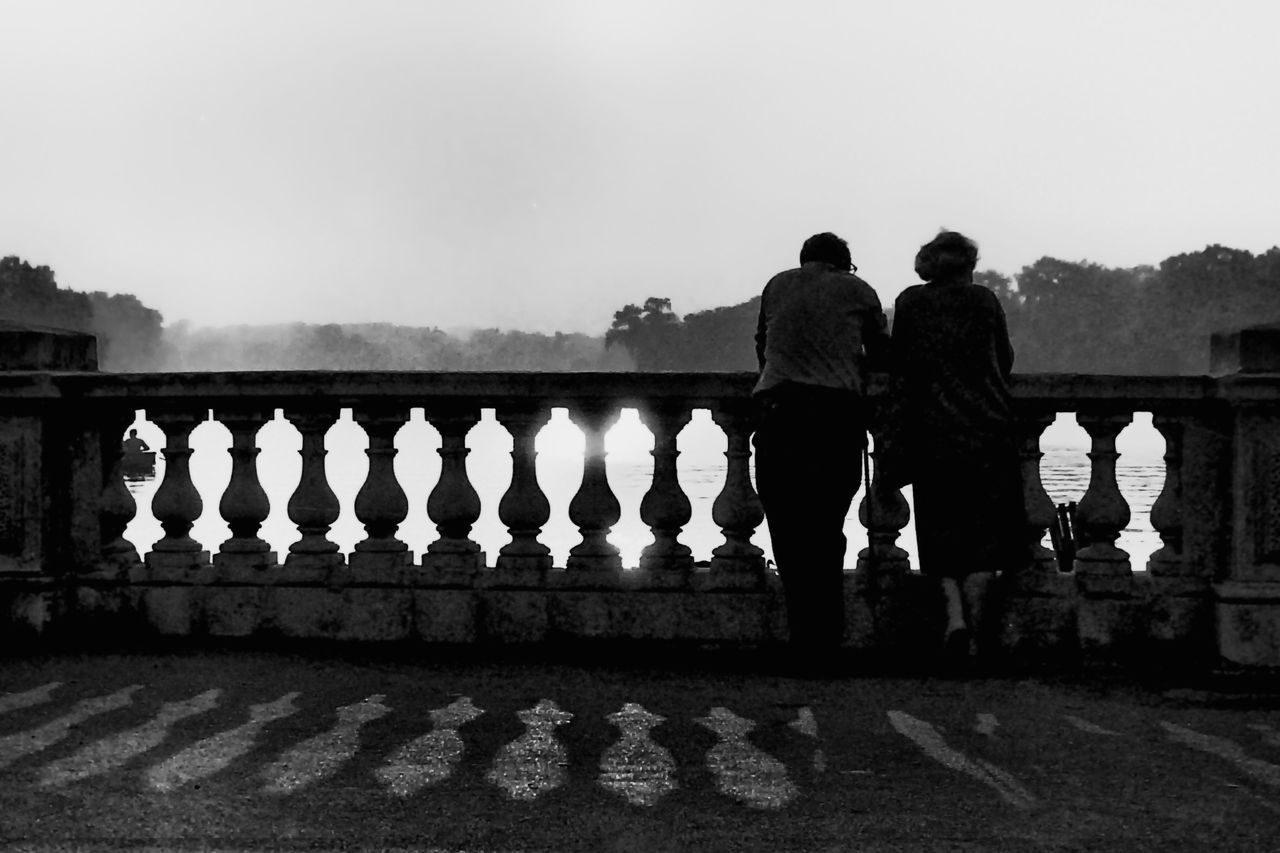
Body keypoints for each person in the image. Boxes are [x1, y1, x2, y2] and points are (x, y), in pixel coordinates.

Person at [888, 230, 1026, 659]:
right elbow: (1004, 359)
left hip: (933, 435)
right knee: (985, 541)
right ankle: (981, 636)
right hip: (988, 431)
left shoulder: (911, 302)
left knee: (939, 538)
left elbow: (898, 364)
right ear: (969, 266)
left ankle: (955, 620)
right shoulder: (984, 301)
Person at [753, 232, 890, 657]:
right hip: (834, 414)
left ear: (804, 261)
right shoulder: (859, 291)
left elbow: (762, 344)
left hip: (779, 410)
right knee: (827, 529)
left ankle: (802, 637)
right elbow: (882, 354)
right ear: (843, 264)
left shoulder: (777, 285)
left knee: (787, 529)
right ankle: (827, 638)